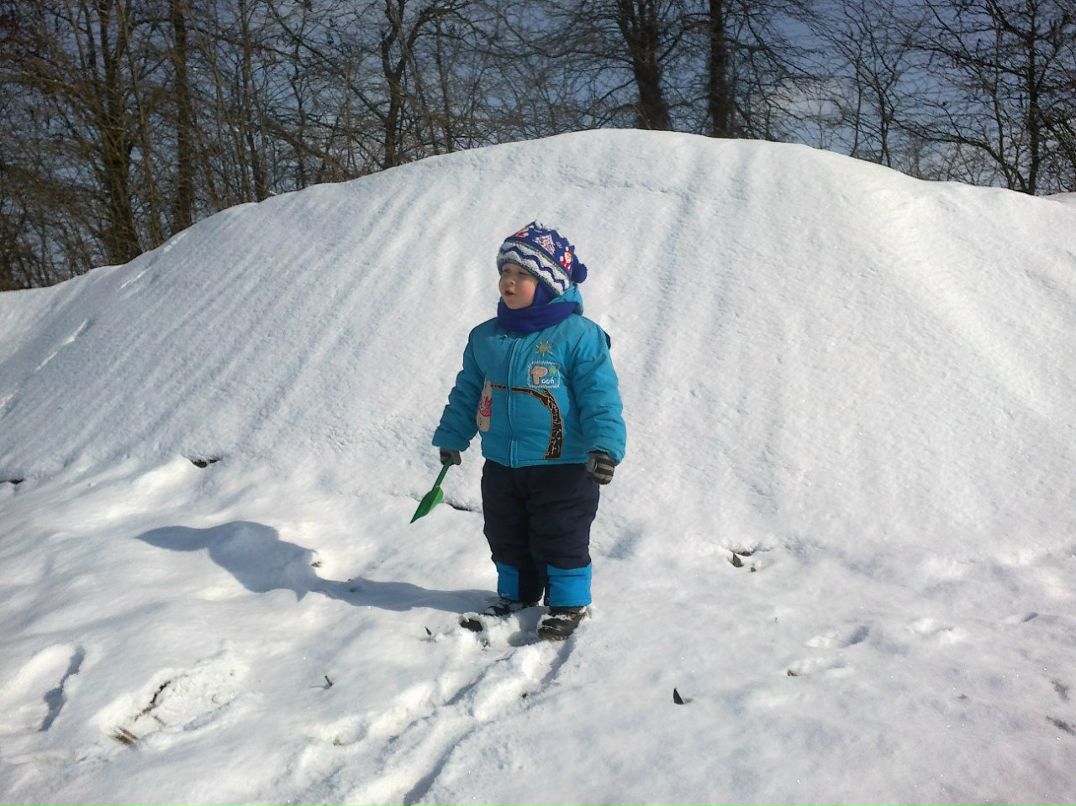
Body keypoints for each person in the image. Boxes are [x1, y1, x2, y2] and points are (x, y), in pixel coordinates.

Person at [432, 222, 627, 641]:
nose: (509, 281)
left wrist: (605, 445)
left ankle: (568, 603)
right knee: (505, 531)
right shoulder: (487, 336)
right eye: (505, 272)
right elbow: (468, 390)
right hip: (502, 461)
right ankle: (516, 595)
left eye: (522, 275)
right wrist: (452, 436)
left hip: (564, 463)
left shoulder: (578, 336)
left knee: (561, 533)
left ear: (548, 284)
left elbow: (599, 395)